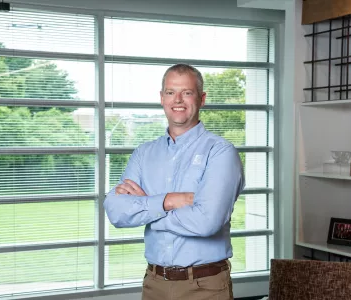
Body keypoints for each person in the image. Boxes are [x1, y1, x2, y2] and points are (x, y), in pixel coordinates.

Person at [103, 63, 245, 300]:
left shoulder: (220, 152)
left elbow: (206, 223)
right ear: (162, 98)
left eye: (186, 92)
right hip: (154, 284)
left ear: (202, 98)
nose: (177, 99)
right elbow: (116, 212)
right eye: (170, 92)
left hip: (204, 287)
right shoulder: (143, 154)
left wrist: (148, 208)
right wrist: (170, 201)